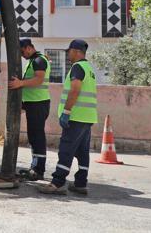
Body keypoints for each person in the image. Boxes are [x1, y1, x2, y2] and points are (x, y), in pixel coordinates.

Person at [39, 39, 97, 195]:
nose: (68, 53)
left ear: (77, 51)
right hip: (87, 117)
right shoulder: (89, 68)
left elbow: (75, 90)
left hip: (76, 117)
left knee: (66, 149)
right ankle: (80, 183)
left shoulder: (77, 68)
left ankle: (57, 183)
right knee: (82, 152)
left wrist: (66, 112)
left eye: (69, 50)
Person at [8, 38, 51, 180]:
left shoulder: (39, 60)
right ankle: (35, 167)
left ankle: (39, 171)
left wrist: (20, 83)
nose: (22, 55)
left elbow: (38, 80)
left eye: (22, 52)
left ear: (28, 48)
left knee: (37, 137)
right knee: (33, 136)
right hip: (33, 103)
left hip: (38, 103)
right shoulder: (33, 62)